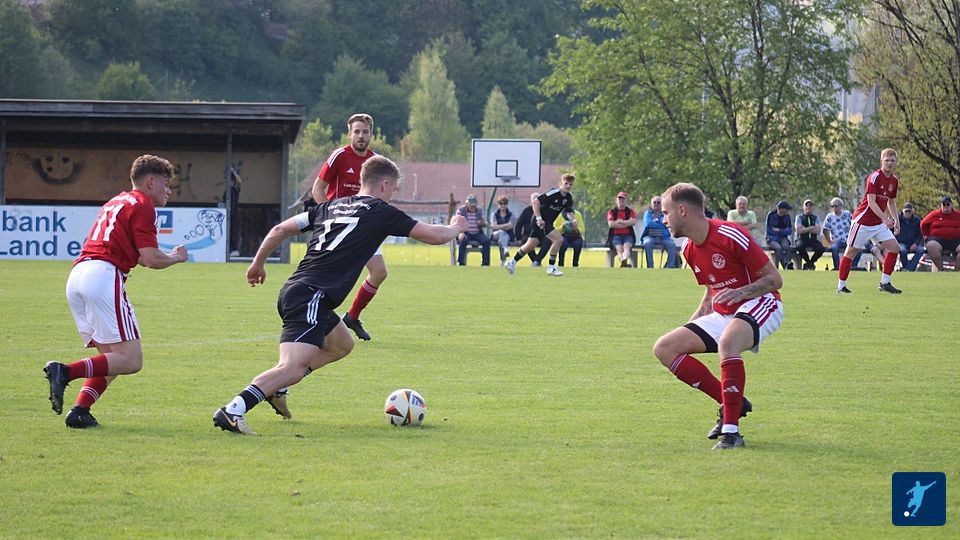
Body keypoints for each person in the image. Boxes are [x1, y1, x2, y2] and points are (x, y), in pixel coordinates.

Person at [213, 155, 468, 435]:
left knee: (341, 345)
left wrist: (257, 263)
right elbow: (434, 236)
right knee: (292, 367)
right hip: (311, 296)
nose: (392, 195)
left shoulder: (329, 206)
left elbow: (280, 229)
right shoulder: (380, 211)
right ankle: (233, 410)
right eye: (394, 189)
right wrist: (456, 227)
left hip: (303, 292)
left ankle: (278, 387)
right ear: (385, 184)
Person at [43, 155, 189, 429]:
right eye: (166, 184)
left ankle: (80, 412)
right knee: (131, 361)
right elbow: (150, 259)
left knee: (111, 360)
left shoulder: (117, 201)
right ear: (150, 182)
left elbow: (139, 255)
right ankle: (65, 371)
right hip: (103, 276)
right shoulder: (144, 205)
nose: (169, 191)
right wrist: (176, 257)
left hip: (78, 276)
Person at [652, 182, 783, 450]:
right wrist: (693, 324)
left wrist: (740, 292)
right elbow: (711, 292)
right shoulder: (689, 249)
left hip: (761, 302)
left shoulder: (730, 234)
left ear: (682, 210)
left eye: (665, 212)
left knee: (728, 343)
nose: (663, 219)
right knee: (664, 348)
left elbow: (775, 280)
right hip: (726, 313)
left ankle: (731, 433)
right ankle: (730, 402)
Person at [311, 113, 382, 341]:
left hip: (365, 228)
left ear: (371, 134)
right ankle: (315, 320)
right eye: (357, 132)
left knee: (379, 272)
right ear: (349, 133)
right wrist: (329, 215)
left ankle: (352, 317)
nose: (361, 136)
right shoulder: (339, 156)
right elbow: (317, 189)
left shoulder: (376, 161)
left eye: (365, 132)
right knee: (330, 277)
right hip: (340, 227)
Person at [836, 148, 903, 294]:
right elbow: (871, 202)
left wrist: (896, 220)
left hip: (878, 223)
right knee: (850, 253)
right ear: (881, 161)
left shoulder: (894, 180)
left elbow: (891, 202)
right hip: (863, 222)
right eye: (887, 160)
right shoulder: (874, 177)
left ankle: (885, 283)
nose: (889, 163)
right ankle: (841, 287)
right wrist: (885, 218)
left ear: (895, 162)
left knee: (894, 248)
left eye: (892, 160)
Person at [505, 173, 576, 276]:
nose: (568, 186)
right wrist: (539, 218)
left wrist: (573, 220)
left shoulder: (568, 197)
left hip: (547, 222)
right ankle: (551, 267)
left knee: (529, 246)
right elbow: (535, 202)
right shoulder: (553, 193)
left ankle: (511, 263)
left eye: (570, 184)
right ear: (561, 183)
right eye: (566, 183)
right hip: (540, 221)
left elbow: (568, 212)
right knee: (558, 240)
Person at [920, 196, 960, 271]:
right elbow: (923, 224)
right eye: (943, 205)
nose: (946, 207)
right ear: (941, 205)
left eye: (948, 204)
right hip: (937, 239)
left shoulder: (958, 215)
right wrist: (926, 236)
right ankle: (941, 270)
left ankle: (957, 271)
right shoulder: (934, 214)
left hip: (956, 240)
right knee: (931, 246)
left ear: (951, 205)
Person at [822, 197, 861, 270]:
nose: (834, 208)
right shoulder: (829, 216)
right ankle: (837, 268)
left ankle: (852, 267)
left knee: (858, 249)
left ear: (840, 206)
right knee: (834, 248)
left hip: (848, 240)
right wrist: (829, 241)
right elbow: (825, 229)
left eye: (836, 206)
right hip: (836, 241)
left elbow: (854, 225)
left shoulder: (847, 214)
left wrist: (854, 238)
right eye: (832, 206)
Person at [640, 195, 678, 268]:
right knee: (647, 243)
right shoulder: (648, 213)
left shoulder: (665, 214)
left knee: (671, 244)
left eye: (658, 202)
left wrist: (655, 222)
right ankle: (650, 266)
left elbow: (667, 224)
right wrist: (660, 223)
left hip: (664, 237)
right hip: (650, 236)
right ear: (651, 204)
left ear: (661, 204)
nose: (656, 204)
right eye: (654, 202)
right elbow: (648, 224)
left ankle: (671, 266)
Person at [512, 192, 550, 266]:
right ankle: (535, 261)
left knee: (548, 241)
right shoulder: (526, 210)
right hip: (528, 235)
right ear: (531, 201)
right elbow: (518, 225)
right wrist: (518, 238)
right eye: (534, 200)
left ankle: (537, 261)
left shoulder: (544, 210)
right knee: (527, 242)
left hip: (542, 234)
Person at [455, 194, 491, 266]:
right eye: (471, 205)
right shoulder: (461, 210)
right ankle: (461, 262)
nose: (473, 207)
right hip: (465, 232)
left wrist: (482, 223)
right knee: (463, 240)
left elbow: (484, 223)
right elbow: (456, 222)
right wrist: (461, 232)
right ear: (467, 203)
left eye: (474, 206)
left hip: (477, 232)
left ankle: (485, 263)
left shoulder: (479, 210)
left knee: (486, 241)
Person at [607, 191, 637, 267]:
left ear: (626, 201)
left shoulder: (630, 211)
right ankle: (624, 262)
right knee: (619, 248)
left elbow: (633, 222)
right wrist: (627, 223)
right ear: (616, 200)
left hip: (628, 235)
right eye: (619, 199)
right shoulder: (612, 212)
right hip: (615, 236)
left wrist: (620, 221)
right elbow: (611, 224)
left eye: (623, 199)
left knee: (627, 247)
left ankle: (624, 261)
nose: (621, 201)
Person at [794, 199, 825, 270]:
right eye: (806, 205)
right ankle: (809, 263)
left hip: (813, 240)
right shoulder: (799, 217)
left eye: (810, 206)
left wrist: (804, 229)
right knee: (799, 247)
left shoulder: (815, 218)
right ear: (803, 207)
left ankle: (810, 263)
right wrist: (811, 228)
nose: (808, 207)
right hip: (802, 239)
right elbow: (798, 230)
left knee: (821, 248)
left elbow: (818, 231)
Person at [765, 200, 795, 270]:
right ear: (781, 209)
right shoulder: (771, 215)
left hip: (783, 238)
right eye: (786, 209)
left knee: (786, 247)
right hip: (771, 239)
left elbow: (789, 231)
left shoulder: (787, 217)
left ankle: (787, 264)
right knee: (778, 248)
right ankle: (786, 265)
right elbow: (769, 231)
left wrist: (779, 230)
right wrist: (783, 231)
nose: (787, 211)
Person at [895, 202, 924, 271]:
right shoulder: (897, 219)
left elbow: (919, 234)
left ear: (912, 211)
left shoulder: (917, 220)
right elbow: (893, 231)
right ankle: (906, 267)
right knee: (903, 250)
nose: (908, 213)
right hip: (900, 243)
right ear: (903, 211)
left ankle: (910, 269)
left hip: (912, 243)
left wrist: (915, 243)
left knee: (921, 250)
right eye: (906, 211)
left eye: (909, 211)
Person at [489, 195, 515, 265]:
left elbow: (510, 226)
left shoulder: (511, 215)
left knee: (502, 238)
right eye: (501, 204)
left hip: (508, 236)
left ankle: (503, 261)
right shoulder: (494, 214)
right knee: (501, 232)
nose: (503, 205)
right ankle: (505, 249)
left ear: (507, 204)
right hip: (495, 235)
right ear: (498, 204)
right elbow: (494, 227)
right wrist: (506, 225)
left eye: (505, 203)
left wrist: (498, 226)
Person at [225, 167, 243, 257]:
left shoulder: (234, 189)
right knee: (227, 231)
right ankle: (229, 249)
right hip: (226, 214)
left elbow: (239, 182)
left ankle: (234, 249)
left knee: (233, 231)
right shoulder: (227, 191)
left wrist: (233, 172)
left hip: (233, 213)